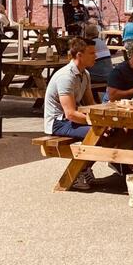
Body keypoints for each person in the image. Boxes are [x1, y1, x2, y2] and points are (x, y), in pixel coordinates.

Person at [43, 37, 96, 189]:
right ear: (79, 55)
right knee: (99, 132)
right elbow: (70, 114)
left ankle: (84, 167)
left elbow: (91, 104)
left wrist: (104, 118)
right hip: (58, 123)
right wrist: (97, 122)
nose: (96, 56)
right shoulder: (66, 77)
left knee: (107, 131)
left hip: (71, 120)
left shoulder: (85, 74)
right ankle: (79, 171)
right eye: (92, 53)